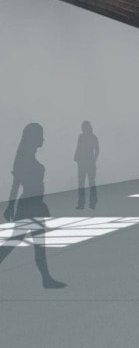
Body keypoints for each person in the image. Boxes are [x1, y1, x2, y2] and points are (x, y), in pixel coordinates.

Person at [0, 123, 66, 288]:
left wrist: (10, 206)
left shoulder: (25, 156)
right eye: (40, 135)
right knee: (19, 242)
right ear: (33, 137)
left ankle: (46, 279)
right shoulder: (24, 158)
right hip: (30, 206)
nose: (42, 138)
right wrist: (10, 206)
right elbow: (16, 184)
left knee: (33, 244)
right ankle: (46, 279)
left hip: (35, 205)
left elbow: (16, 184)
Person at [74, 121, 99, 210]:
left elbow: (97, 151)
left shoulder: (93, 137)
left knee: (90, 183)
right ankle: (83, 204)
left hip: (87, 163)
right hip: (82, 163)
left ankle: (91, 203)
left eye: (83, 127)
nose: (82, 128)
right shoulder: (82, 137)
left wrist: (93, 160)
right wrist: (76, 157)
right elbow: (78, 147)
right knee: (83, 183)